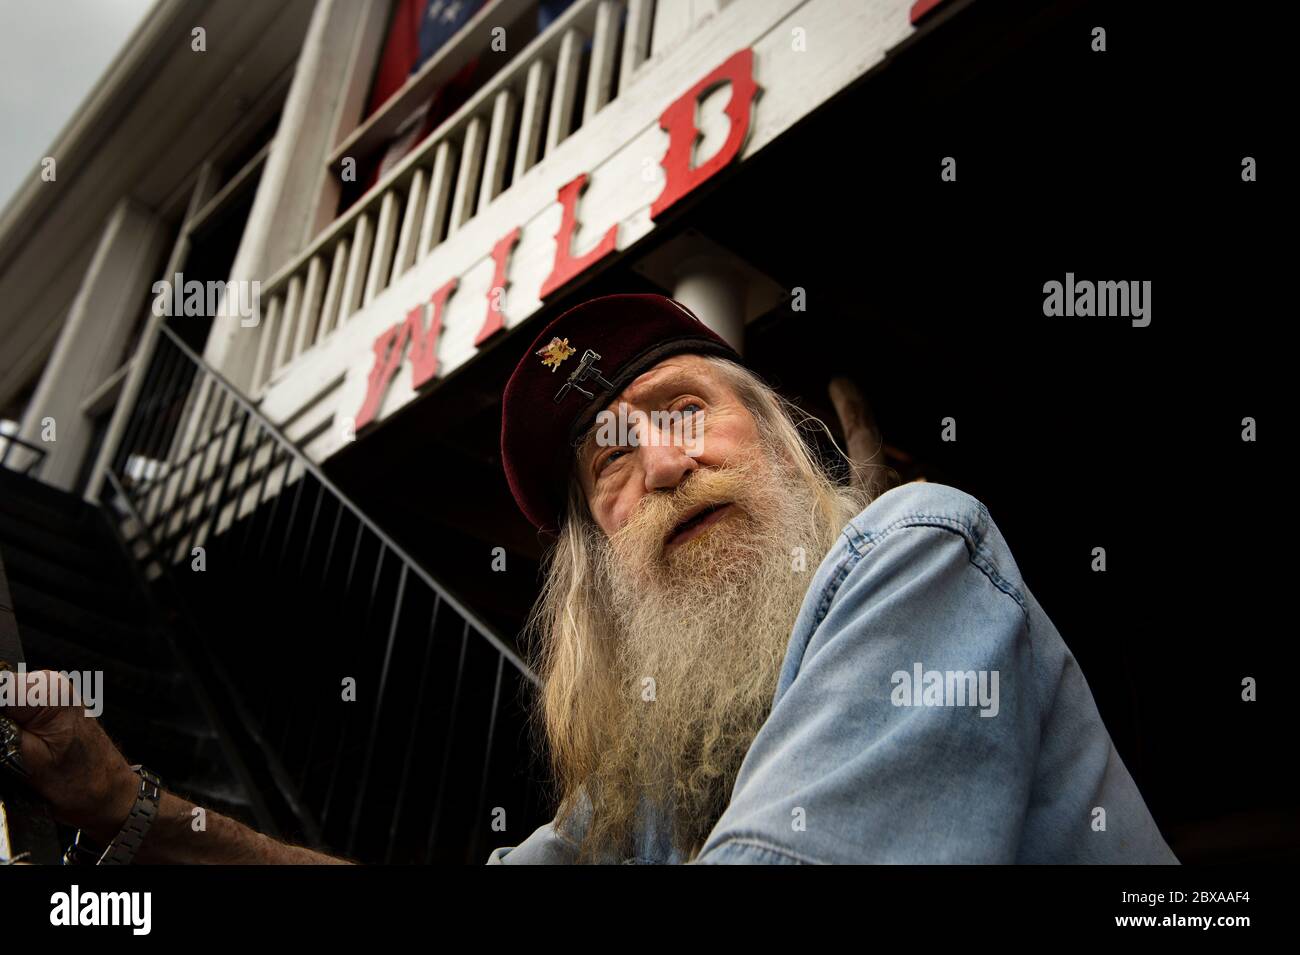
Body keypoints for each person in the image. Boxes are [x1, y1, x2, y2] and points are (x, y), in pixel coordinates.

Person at [0, 293, 1178, 865]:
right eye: (607, 461)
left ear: (783, 439)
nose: (657, 465)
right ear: (598, 569)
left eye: (685, 414)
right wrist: (135, 807)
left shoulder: (917, 545)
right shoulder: (654, 782)